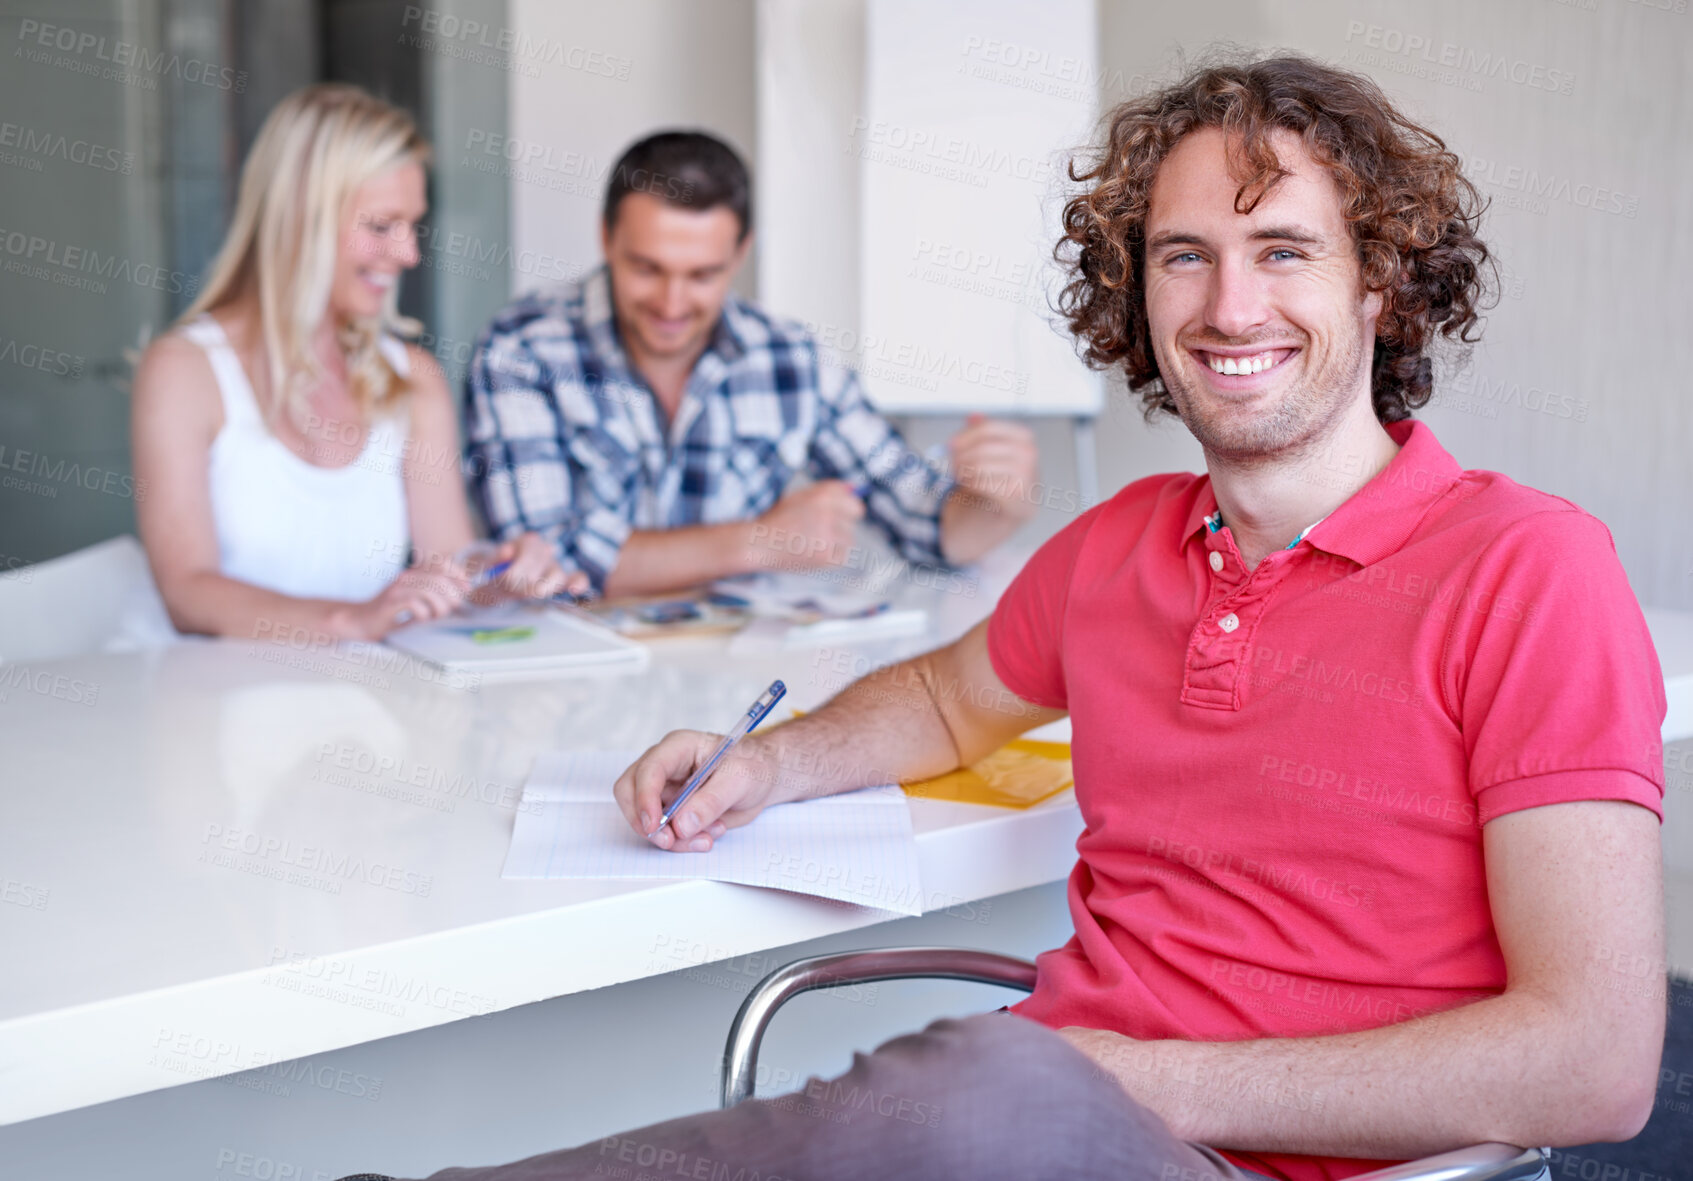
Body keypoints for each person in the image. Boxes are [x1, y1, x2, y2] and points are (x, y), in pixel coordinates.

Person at [368, 55, 1666, 1181]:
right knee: (970, 1096)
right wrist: (766, 759)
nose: (1228, 306)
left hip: (1171, 1135)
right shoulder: (1118, 544)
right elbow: (941, 700)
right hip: (1031, 1119)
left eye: (1283, 252)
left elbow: (1595, 1061)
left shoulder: (1527, 568)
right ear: (1137, 294)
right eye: (1183, 256)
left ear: (1379, 282)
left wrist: (1151, 1083)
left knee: (981, 1090)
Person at [464, 130, 1042, 598]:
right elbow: (539, 561)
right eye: (647, 268)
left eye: (702, 275)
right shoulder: (524, 350)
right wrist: (761, 542)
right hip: (566, 692)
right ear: (606, 239)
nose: (670, 303)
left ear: (740, 253)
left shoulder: (790, 358)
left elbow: (926, 528)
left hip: (736, 692)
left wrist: (994, 502)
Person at [133, 83, 578, 642]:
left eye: (413, 226)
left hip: (360, 712)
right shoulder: (183, 371)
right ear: (300, 216)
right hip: (210, 710)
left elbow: (449, 568)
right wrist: (353, 620)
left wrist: (504, 576)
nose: (409, 253)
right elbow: (188, 592)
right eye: (381, 226)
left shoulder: (413, 379)